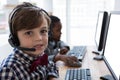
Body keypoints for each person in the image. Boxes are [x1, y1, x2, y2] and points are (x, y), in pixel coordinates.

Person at [0, 2, 59, 80]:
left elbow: (51, 66)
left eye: (43, 31)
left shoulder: (39, 55)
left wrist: (52, 77)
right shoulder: (9, 70)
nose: (39, 38)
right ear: (15, 39)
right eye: (29, 33)